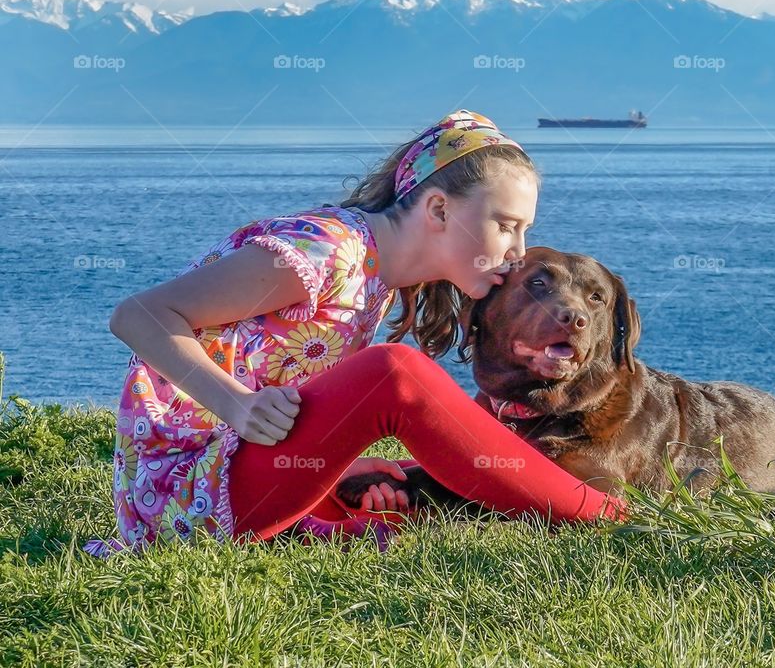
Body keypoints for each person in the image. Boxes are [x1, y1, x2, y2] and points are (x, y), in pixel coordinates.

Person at [82, 109, 628, 559]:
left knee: (405, 482)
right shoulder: (327, 251)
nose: (516, 250)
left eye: (524, 230)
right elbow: (138, 316)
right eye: (507, 225)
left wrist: (333, 461)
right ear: (438, 208)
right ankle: (610, 519)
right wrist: (237, 405)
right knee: (394, 373)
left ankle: (567, 498)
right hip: (187, 495)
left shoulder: (376, 277)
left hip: (232, 474)